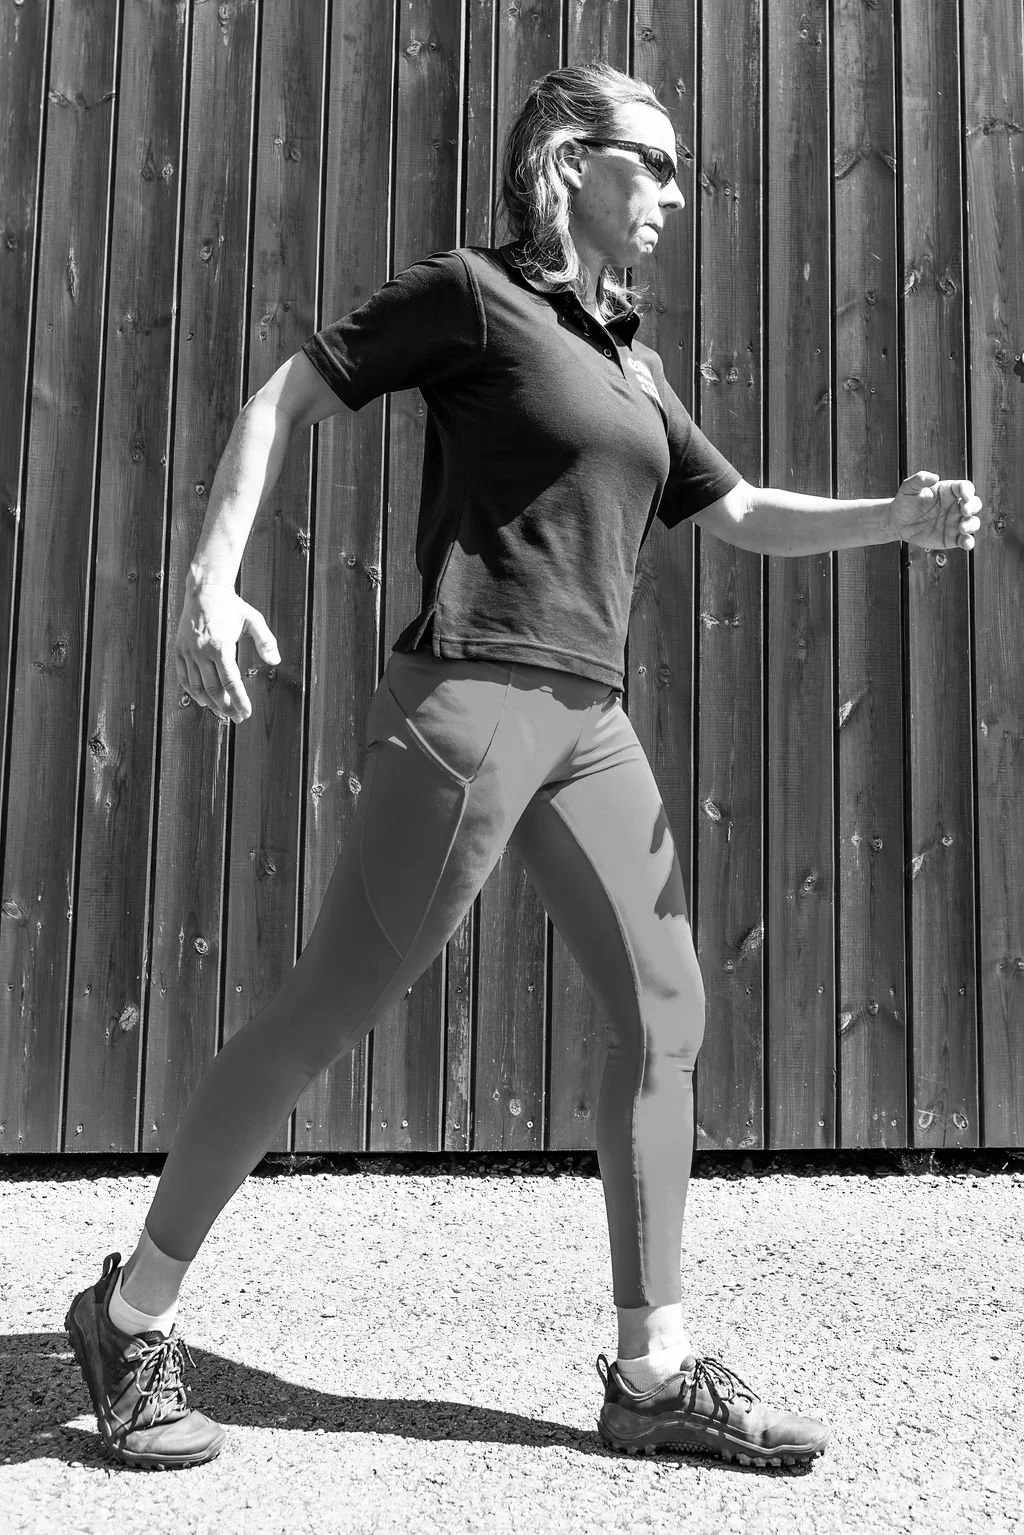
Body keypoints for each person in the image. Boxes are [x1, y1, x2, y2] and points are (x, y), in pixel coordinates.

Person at [65, 64, 981, 1473]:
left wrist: (893, 519)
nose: (679, 191)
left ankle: (652, 1370)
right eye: (655, 162)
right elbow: (284, 396)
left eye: (682, 171)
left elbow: (737, 511)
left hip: (586, 726)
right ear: (569, 156)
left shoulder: (631, 361)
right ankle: (129, 1316)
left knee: (667, 1008)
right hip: (476, 698)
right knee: (329, 1009)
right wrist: (212, 572)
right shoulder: (479, 298)